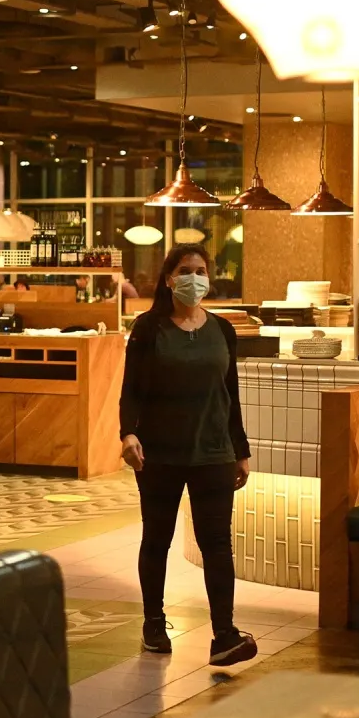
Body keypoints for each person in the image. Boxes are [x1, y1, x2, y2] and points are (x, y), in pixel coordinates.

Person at [118, 244, 256, 664]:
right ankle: (154, 626)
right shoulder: (148, 329)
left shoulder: (222, 330)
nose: (193, 278)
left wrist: (241, 449)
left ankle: (224, 635)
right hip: (159, 454)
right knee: (156, 539)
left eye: (200, 270)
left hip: (214, 451)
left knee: (217, 544)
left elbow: (229, 394)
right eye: (185, 270)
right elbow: (132, 391)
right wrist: (127, 434)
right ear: (168, 279)